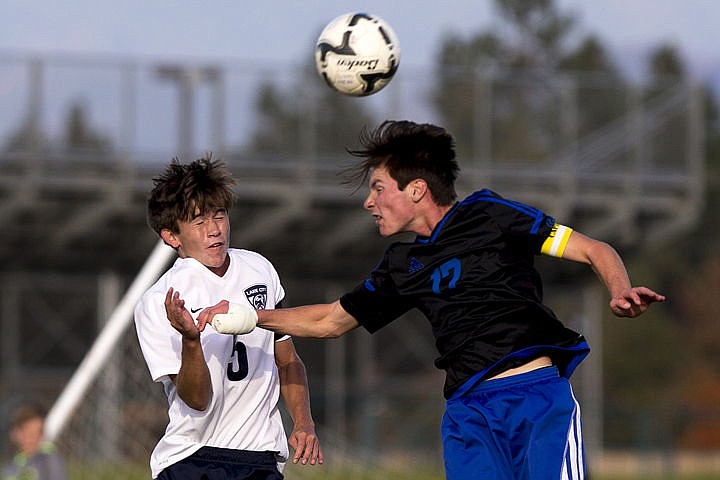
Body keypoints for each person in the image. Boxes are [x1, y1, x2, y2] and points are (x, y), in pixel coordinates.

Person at [198, 120, 666, 479]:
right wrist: (246, 317)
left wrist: (619, 287)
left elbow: (592, 248)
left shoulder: (489, 214)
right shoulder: (402, 265)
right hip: (468, 416)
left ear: (416, 189)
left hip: (536, 402)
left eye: (378, 188)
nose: (368, 202)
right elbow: (329, 321)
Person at [134, 155, 322, 480]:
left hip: (261, 457)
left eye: (218, 215)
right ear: (171, 237)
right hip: (191, 459)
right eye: (199, 222)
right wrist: (191, 340)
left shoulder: (260, 270)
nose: (215, 230)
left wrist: (304, 422)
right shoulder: (157, 302)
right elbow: (196, 400)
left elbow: (288, 360)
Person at [2, 404, 67, 480]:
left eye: (38, 433)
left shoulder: (49, 461)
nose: (34, 438)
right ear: (17, 434)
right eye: (29, 433)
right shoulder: (10, 468)